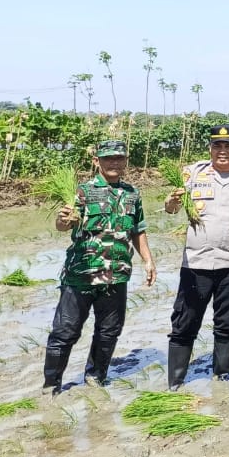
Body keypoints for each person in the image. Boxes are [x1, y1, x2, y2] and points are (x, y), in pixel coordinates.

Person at [43, 140, 156, 393]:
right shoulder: (82, 192)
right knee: (65, 332)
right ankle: (51, 384)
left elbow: (138, 230)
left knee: (109, 331)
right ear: (97, 161)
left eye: (119, 158)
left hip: (116, 276)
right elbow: (63, 224)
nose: (114, 163)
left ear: (125, 161)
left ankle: (96, 377)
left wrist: (148, 260)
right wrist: (63, 220)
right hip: (81, 276)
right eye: (108, 159)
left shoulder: (132, 194)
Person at [163, 123, 229, 389]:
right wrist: (172, 202)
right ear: (210, 147)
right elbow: (170, 209)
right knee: (185, 321)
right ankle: (176, 382)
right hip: (197, 262)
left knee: (228, 322)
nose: (223, 151)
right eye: (218, 145)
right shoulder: (191, 174)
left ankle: (221, 378)